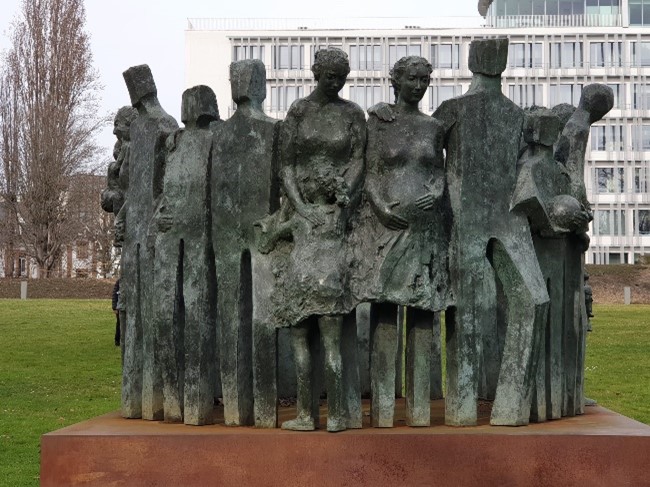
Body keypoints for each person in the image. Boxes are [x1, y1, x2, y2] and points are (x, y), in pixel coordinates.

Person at [354, 55, 451, 427]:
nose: (419, 86)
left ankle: (420, 410)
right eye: (413, 78)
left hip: (426, 229)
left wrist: (437, 191)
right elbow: (369, 172)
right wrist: (380, 207)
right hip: (387, 228)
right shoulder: (380, 122)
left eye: (425, 79)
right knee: (384, 313)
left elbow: (439, 172)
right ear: (396, 80)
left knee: (423, 314)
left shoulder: (433, 127)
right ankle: (382, 410)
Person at [278, 47, 366, 432]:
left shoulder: (353, 114)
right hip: (306, 227)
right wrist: (301, 207)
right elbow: (286, 165)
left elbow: (359, 161)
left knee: (324, 337)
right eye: (330, 76)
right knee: (304, 334)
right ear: (316, 73)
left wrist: (342, 202)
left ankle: (325, 415)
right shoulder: (299, 112)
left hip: (332, 228)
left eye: (341, 77)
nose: (336, 83)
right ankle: (314, 414)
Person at [112, 279, 120, 347]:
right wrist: (114, 307)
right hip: (119, 307)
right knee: (119, 324)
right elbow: (114, 294)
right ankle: (117, 340)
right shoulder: (119, 281)